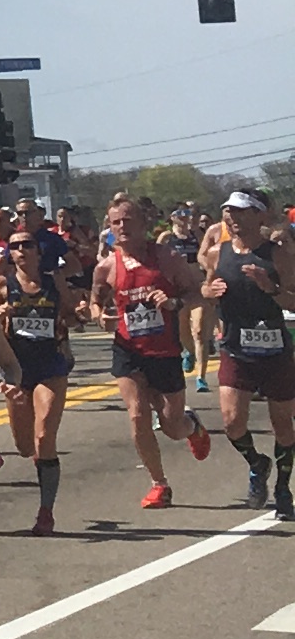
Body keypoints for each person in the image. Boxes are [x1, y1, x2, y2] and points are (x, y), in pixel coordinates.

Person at [94, 196, 205, 509]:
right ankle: (159, 484)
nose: (122, 227)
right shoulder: (106, 267)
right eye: (116, 222)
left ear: (144, 224)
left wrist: (173, 303)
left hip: (164, 350)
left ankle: (192, 425)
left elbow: (196, 293)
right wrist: (99, 316)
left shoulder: (167, 258)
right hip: (128, 350)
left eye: (128, 221)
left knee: (172, 426)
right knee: (138, 415)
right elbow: (94, 302)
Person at [204, 190, 294, 518]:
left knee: (282, 423)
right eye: (229, 211)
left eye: (241, 212)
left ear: (260, 216)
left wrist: (270, 288)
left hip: (274, 350)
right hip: (236, 348)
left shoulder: (278, 255)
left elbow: (293, 299)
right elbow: (205, 287)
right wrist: (210, 291)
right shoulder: (218, 252)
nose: (233, 218)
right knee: (231, 421)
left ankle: (283, 488)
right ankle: (257, 463)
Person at [0, 233, 74, 531]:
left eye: (27, 245)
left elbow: (72, 315)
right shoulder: (3, 284)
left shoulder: (54, 282)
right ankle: (40, 462)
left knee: (44, 436)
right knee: (26, 446)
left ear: (38, 252)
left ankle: (45, 511)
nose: (21, 250)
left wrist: (83, 313)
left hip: (51, 365)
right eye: (15, 247)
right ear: (10, 255)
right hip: (16, 369)